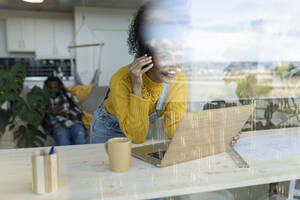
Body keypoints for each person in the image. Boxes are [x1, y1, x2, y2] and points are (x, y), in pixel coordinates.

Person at [90, 0, 240, 146]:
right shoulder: (121, 80)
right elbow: (137, 136)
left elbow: (173, 127)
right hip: (108, 129)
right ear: (146, 57)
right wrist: (136, 86)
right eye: (165, 56)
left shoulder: (178, 79)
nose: (174, 65)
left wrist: (215, 134)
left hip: (140, 124)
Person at [42, 76, 86, 146]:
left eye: (55, 88)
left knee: (80, 137)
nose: (53, 90)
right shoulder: (43, 99)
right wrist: (51, 111)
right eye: (50, 88)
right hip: (57, 125)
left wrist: (63, 111)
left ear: (60, 87)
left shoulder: (68, 95)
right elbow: (38, 115)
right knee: (63, 140)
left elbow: (79, 111)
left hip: (74, 123)